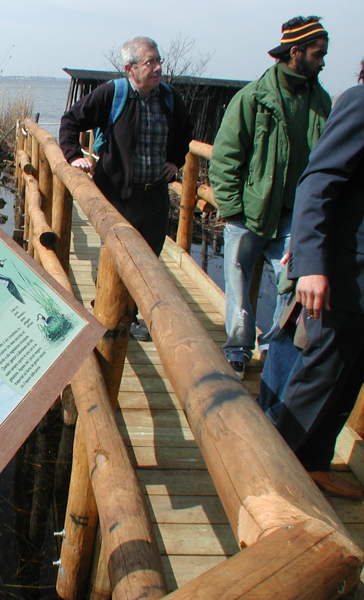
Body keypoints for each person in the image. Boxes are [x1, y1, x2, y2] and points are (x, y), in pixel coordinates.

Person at [209, 16, 332, 379]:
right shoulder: (253, 98)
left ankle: (275, 351)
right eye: (318, 53)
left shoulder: (322, 102)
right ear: (295, 53)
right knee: (237, 283)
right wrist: (232, 210)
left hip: (294, 216)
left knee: (290, 284)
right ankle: (237, 349)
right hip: (248, 213)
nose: (324, 61)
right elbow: (225, 156)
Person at [265, 62, 364, 500]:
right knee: (318, 375)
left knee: (349, 379)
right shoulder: (361, 103)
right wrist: (309, 263)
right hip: (344, 274)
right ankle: (272, 478)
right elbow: (318, 181)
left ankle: (314, 463)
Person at [59, 36, 194, 341]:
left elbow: (186, 131)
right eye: (151, 62)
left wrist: (175, 161)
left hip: (156, 195)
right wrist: (74, 156)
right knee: (117, 258)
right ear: (130, 68)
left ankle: (129, 316)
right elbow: (70, 121)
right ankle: (108, 316)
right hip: (119, 194)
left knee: (149, 258)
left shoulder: (169, 98)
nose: (159, 67)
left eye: (159, 60)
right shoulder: (114, 94)